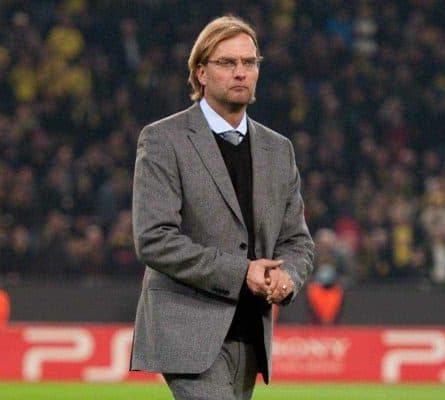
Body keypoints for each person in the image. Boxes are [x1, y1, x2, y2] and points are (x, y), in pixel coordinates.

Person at [129, 15, 314, 400]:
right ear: (200, 73)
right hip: (187, 329)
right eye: (227, 63)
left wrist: (288, 278)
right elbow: (153, 240)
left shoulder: (278, 150)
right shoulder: (164, 139)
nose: (241, 72)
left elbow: (297, 241)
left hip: (250, 330)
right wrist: (241, 271)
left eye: (249, 63)